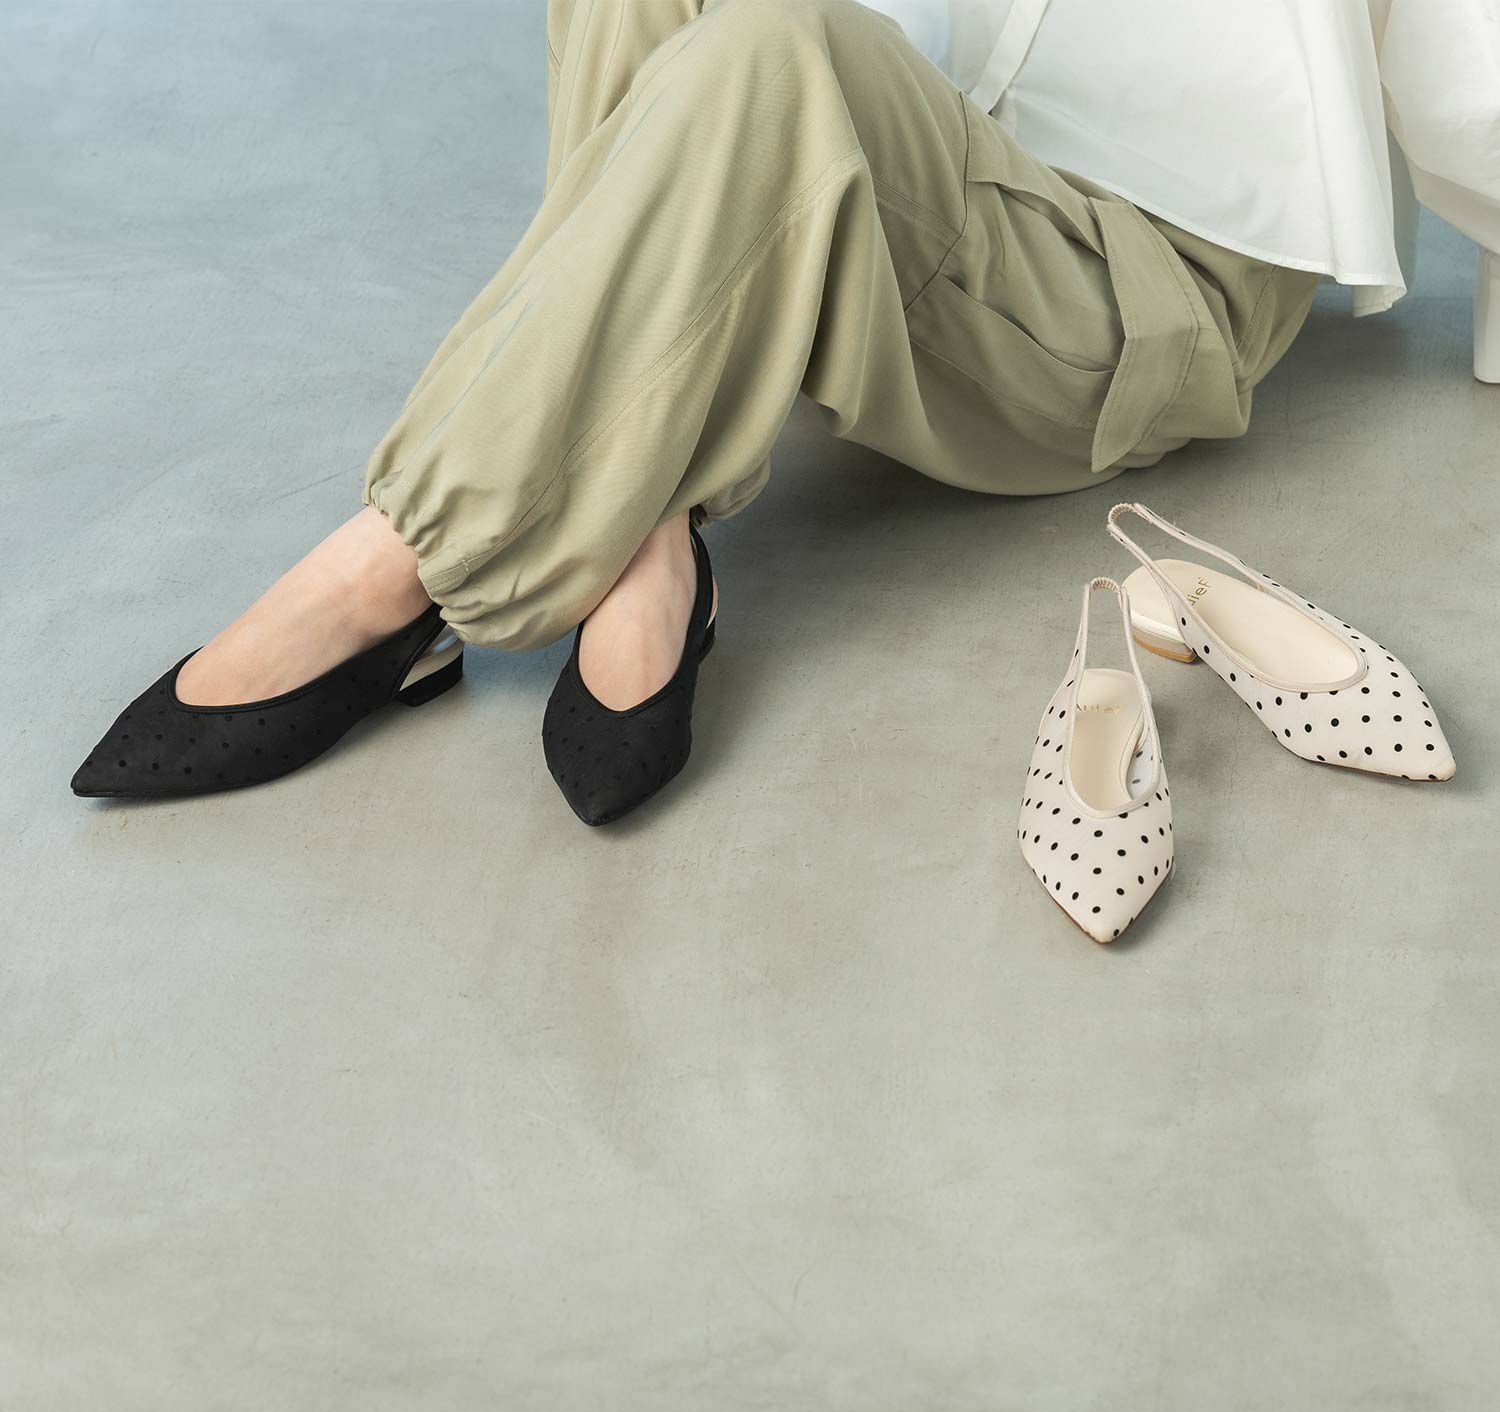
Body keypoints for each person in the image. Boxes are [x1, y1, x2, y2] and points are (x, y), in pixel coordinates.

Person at [72, 0, 1320, 823]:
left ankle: (396, 568)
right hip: (953, 177)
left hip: (1130, 296)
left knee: (773, 47)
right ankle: (648, 533)